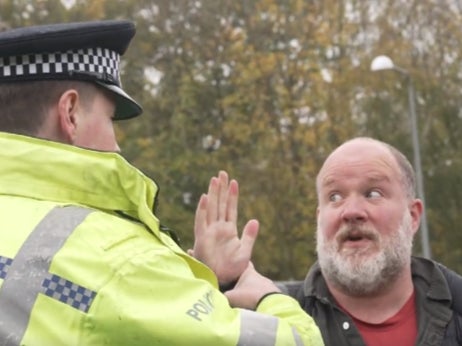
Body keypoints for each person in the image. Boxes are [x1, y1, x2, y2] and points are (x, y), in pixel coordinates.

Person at [0, 20, 323, 345]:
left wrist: (200, 286)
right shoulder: (119, 261)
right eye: (110, 119)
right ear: (70, 113)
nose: (116, 145)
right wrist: (266, 296)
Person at [283, 137, 462, 345]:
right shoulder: (274, 323)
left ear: (412, 216)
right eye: (334, 197)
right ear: (319, 218)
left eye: (373, 193)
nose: (351, 212)